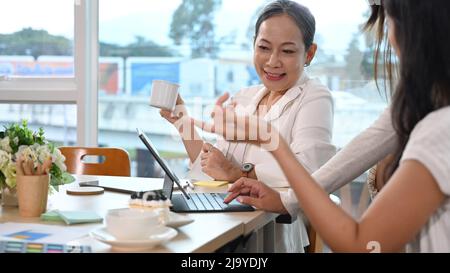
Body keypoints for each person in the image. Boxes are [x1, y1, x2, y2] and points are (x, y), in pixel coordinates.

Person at [194, 0, 450, 252]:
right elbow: (365, 146)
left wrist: (267, 143)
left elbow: (361, 244)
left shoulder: (438, 130)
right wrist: (286, 199)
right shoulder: (422, 107)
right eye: (264, 47)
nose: (389, 39)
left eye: (390, 21)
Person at [159, 0, 336, 252]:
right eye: (264, 47)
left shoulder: (315, 97)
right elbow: (211, 167)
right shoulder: (244, 96)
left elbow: (311, 169)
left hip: (271, 238)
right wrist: (183, 122)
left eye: (287, 51)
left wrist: (238, 173)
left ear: (309, 53)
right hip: (224, 224)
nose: (273, 61)